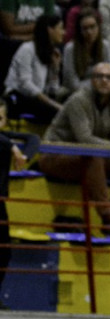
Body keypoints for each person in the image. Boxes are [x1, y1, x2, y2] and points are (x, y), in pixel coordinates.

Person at [37, 62, 110, 239]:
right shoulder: (78, 100)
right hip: (54, 157)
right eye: (99, 76)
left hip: (85, 160)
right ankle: (107, 218)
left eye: (109, 77)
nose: (104, 81)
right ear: (91, 81)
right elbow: (84, 139)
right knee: (94, 154)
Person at [0, 98, 39, 307]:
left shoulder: (5, 138)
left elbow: (33, 137)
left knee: (4, 253)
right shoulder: (5, 141)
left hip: (0, 202)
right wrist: (11, 146)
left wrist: (23, 154)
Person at [3, 14, 68, 123]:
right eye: (60, 28)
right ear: (49, 30)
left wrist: (55, 69)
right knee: (55, 112)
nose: (64, 32)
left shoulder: (50, 53)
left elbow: (52, 90)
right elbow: (25, 84)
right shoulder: (27, 49)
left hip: (36, 98)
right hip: (18, 97)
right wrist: (52, 104)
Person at [61, 8, 110, 92]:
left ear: (98, 27)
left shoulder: (105, 46)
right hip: (77, 93)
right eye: (85, 28)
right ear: (79, 30)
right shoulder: (70, 49)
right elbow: (72, 83)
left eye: (92, 27)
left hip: (102, 90)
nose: (89, 32)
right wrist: (97, 84)